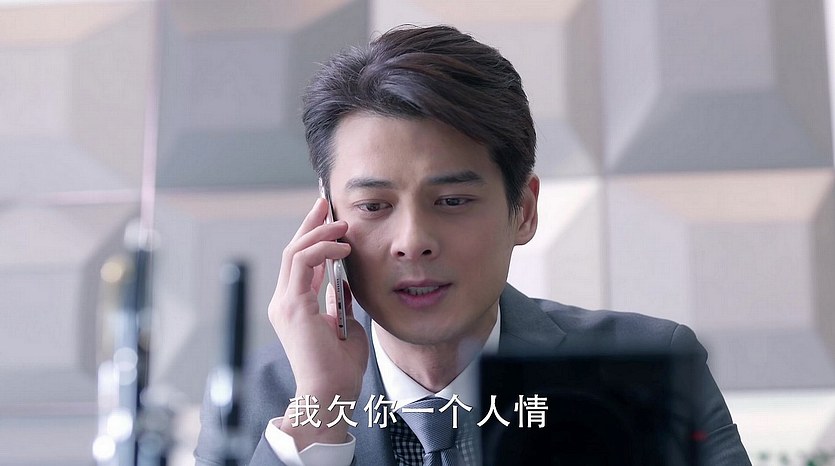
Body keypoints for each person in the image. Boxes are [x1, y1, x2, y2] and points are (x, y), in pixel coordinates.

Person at [195, 25, 751, 466]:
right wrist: (319, 410)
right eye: (374, 206)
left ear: (523, 211)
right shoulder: (266, 396)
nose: (413, 242)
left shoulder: (646, 373)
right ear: (328, 221)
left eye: (453, 200)